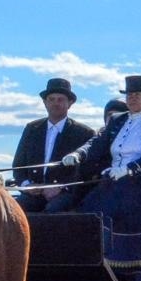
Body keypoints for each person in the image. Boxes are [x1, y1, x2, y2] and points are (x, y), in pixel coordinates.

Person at [61, 76, 141, 281]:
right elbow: (97, 143)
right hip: (113, 181)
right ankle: (97, 271)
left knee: (123, 209)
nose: (132, 98)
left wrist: (130, 169)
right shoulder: (117, 120)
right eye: (129, 95)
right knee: (89, 211)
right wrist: (79, 154)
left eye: (137, 95)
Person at [11, 78, 96, 214]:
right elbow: (18, 165)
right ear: (45, 103)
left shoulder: (83, 133)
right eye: (51, 99)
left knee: (53, 211)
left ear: (70, 103)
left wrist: (62, 187)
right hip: (33, 193)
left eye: (60, 99)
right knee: (12, 210)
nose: (55, 103)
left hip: (65, 193)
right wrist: (27, 185)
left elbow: (87, 171)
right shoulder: (32, 129)